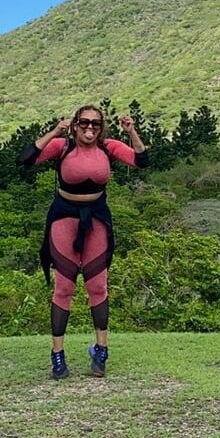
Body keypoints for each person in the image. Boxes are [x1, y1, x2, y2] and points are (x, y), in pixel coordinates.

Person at [19, 106, 147, 379]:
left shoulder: (108, 147)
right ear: (75, 124)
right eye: (84, 123)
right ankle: (57, 356)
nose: (90, 128)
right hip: (64, 217)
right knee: (64, 287)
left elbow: (142, 160)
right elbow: (26, 158)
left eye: (96, 124)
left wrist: (131, 131)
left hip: (97, 219)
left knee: (97, 285)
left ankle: (101, 352)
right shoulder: (62, 146)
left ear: (102, 128)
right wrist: (55, 130)